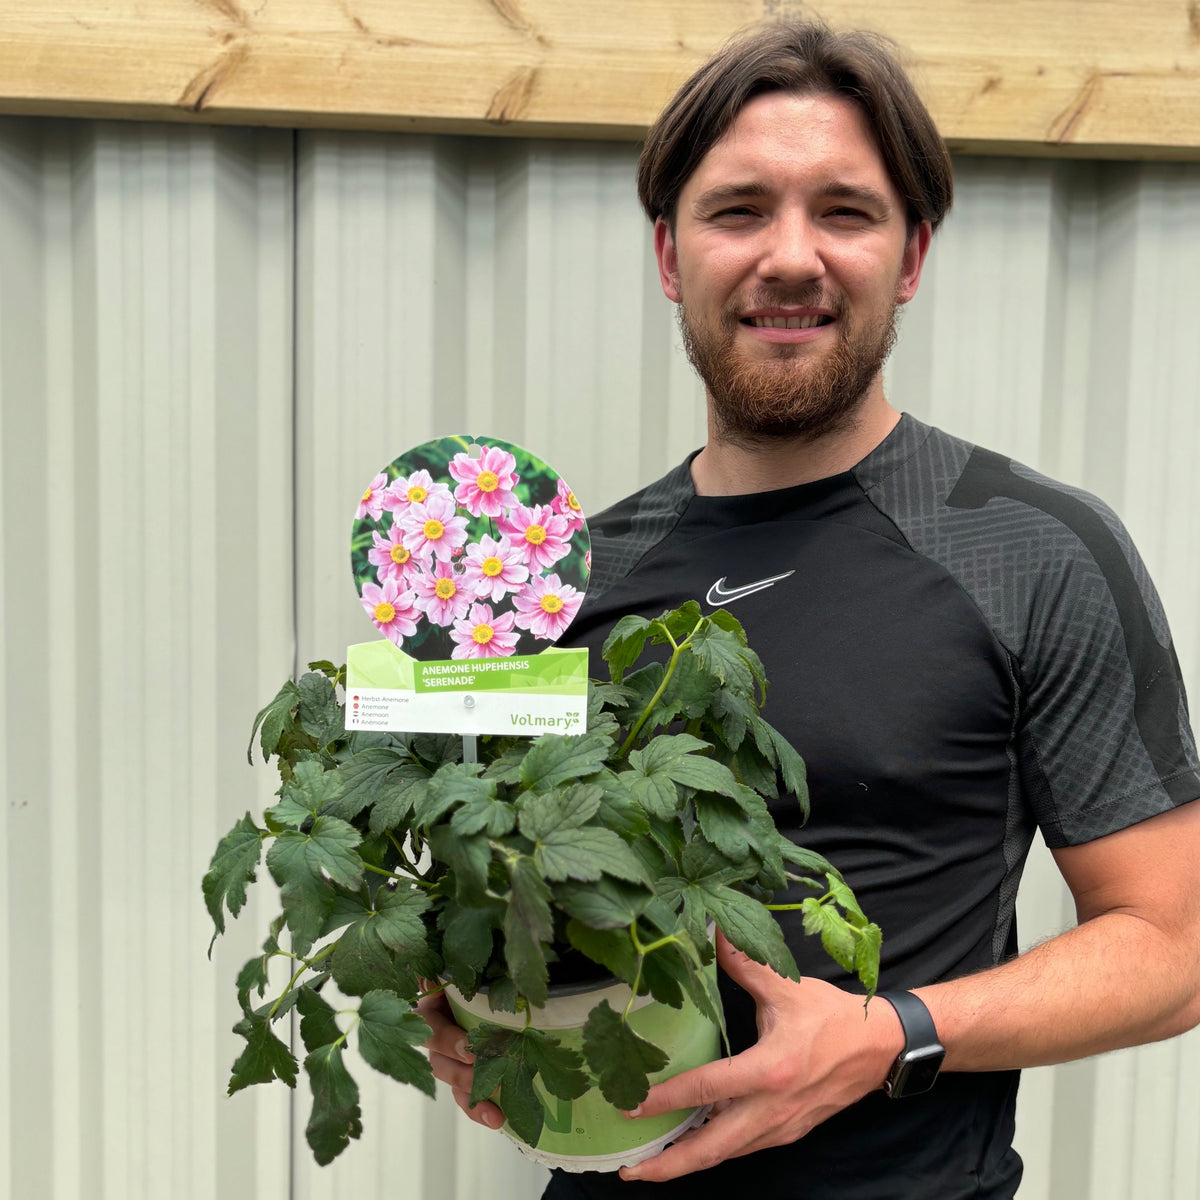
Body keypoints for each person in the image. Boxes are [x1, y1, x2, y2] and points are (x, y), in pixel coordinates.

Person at [419, 20, 1200, 1198]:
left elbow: (1172, 950)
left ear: (912, 254)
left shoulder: (1031, 551)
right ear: (671, 255)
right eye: (739, 211)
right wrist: (484, 1010)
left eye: (845, 211)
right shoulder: (565, 576)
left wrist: (893, 1035)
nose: (791, 257)